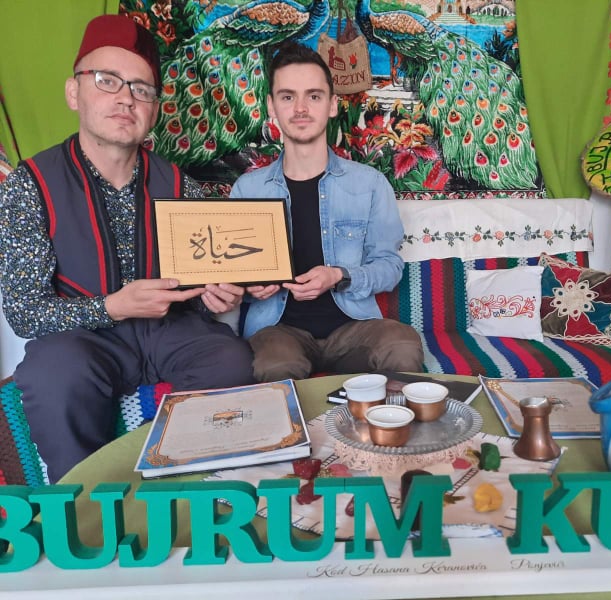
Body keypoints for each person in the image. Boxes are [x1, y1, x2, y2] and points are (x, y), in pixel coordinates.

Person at [0, 14, 256, 482]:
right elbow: (25, 313)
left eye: (141, 89)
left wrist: (216, 295)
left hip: (169, 332)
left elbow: (200, 285)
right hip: (83, 339)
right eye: (107, 80)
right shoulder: (30, 185)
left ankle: (190, 490)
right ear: (74, 92)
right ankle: (87, 507)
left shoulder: (180, 185)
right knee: (53, 376)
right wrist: (111, 306)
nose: (125, 97)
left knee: (230, 358)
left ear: (154, 110)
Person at [231, 42, 423, 381]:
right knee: (275, 365)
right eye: (288, 97)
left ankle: (379, 415)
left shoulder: (370, 183)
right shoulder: (248, 190)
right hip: (278, 331)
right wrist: (249, 286)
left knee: (403, 344)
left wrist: (338, 276)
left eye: (314, 96)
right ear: (271, 106)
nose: (300, 108)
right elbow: (232, 274)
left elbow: (390, 267)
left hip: (354, 329)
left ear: (333, 105)